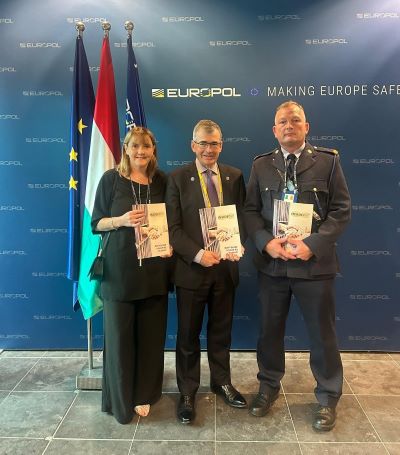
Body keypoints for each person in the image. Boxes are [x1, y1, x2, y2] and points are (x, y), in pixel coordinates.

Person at [244, 101, 351, 431]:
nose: (289, 126)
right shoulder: (262, 165)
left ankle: (328, 396)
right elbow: (249, 211)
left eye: (295, 121)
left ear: (307, 126)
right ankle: (268, 386)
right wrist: (266, 242)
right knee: (269, 332)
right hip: (273, 266)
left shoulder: (329, 162)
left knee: (322, 334)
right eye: (282, 122)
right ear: (274, 130)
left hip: (313, 266)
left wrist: (313, 245)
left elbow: (341, 211)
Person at [165, 119, 247, 424]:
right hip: (191, 270)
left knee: (221, 331)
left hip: (225, 270)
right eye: (203, 143)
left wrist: (239, 245)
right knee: (187, 334)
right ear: (193, 145)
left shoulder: (235, 176)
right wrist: (198, 254)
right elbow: (172, 229)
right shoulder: (177, 178)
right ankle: (187, 392)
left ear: (221, 145)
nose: (208, 149)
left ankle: (221, 381)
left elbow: (244, 218)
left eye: (214, 143)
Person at [91, 126, 171, 424]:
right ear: (126, 149)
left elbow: (171, 221)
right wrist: (121, 220)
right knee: (120, 338)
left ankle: (144, 395)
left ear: (153, 150)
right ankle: (121, 399)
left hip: (155, 271)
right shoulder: (111, 180)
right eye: (135, 146)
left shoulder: (162, 180)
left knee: (151, 337)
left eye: (146, 147)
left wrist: (169, 246)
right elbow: (96, 223)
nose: (140, 151)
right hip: (120, 273)